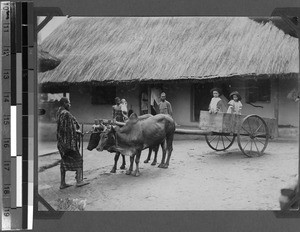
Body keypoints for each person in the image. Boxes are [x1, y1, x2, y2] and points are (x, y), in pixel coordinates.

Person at [56, 97, 89, 189]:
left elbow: (64, 128)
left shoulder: (59, 112)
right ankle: (79, 181)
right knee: (79, 160)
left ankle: (62, 183)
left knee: (64, 162)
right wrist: (78, 133)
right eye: (68, 103)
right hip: (69, 144)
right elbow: (69, 130)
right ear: (64, 103)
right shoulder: (66, 114)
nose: (70, 105)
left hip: (61, 143)